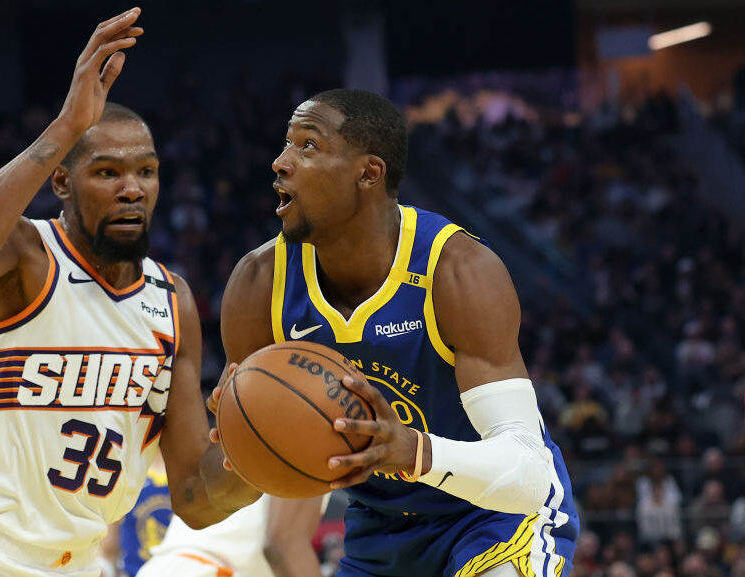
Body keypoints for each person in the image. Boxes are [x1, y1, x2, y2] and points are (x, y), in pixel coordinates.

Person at [0, 8, 258, 577]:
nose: (132, 189)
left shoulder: (172, 300)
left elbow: (194, 499)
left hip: (79, 565)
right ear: (62, 179)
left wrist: (258, 457)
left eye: (147, 172)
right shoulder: (25, 254)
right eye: (107, 173)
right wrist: (65, 128)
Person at [210, 89, 579, 577]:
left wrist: (413, 451)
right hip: (380, 529)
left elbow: (531, 476)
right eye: (285, 144)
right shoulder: (259, 285)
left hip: (494, 516)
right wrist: (241, 447)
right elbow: (225, 490)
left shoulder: (458, 269)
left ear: (369, 173)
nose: (280, 162)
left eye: (308, 145)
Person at [135, 495, 325, 577]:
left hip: (162, 568)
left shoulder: (241, 429)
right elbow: (284, 545)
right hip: (208, 571)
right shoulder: (309, 439)